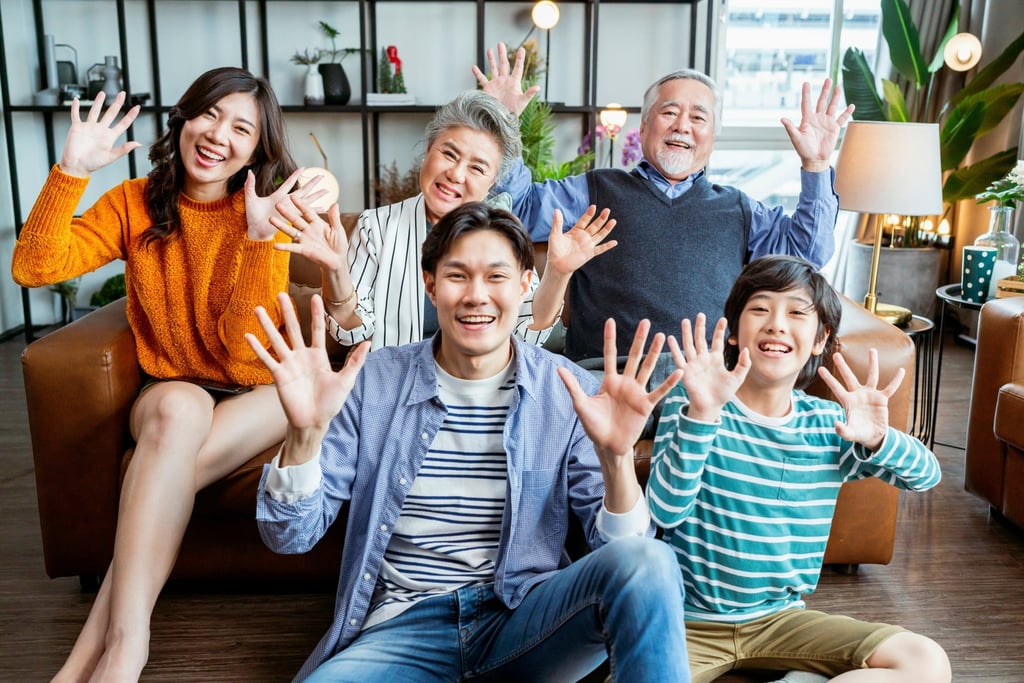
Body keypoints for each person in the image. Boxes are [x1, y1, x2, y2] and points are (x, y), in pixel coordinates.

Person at [247, 201, 691, 683]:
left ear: (525, 285)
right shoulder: (372, 381)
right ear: (431, 285)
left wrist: (617, 460)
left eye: (496, 277)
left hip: (524, 620)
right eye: (457, 276)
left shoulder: (568, 390)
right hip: (402, 628)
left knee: (650, 560)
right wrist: (304, 433)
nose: (476, 296)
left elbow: (622, 558)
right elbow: (289, 536)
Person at [11, 67, 318, 683]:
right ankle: (128, 648)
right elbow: (32, 266)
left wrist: (259, 241)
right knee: (179, 411)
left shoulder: (266, 212)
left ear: (257, 149)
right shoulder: (134, 204)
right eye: (210, 114)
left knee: (163, 481)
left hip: (259, 387)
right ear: (184, 116)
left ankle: (96, 659)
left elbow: (241, 352)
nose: (218, 135)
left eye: (241, 128)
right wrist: (71, 170)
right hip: (175, 389)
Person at [646, 255, 951, 682]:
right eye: (760, 309)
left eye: (796, 312)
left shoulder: (829, 425)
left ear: (820, 338)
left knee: (925, 660)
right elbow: (664, 512)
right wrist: (701, 416)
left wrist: (878, 438)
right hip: (688, 623)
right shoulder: (693, 404)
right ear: (734, 332)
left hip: (781, 623)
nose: (776, 323)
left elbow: (926, 475)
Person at [477, 45, 855, 361]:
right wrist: (503, 121)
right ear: (642, 127)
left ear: (713, 137)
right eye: (669, 112)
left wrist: (817, 165)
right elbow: (518, 208)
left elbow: (807, 254)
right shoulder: (594, 189)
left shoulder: (739, 209)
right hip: (604, 375)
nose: (682, 125)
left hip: (703, 382)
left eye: (698, 117)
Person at [275, 84, 616, 352]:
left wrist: (557, 272)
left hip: (481, 388)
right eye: (448, 154)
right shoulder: (375, 227)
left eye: (477, 168)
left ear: (491, 183)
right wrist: (335, 271)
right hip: (395, 388)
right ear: (427, 151)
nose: (455, 173)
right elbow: (353, 333)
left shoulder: (506, 235)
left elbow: (529, 333)